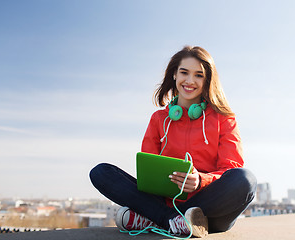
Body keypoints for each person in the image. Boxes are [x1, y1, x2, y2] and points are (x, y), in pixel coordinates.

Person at [89, 46, 257, 238]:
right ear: (175, 75)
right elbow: (148, 171)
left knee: (246, 180)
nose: (190, 81)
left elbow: (230, 168)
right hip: (164, 202)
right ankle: (171, 220)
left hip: (209, 212)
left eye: (199, 75)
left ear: (208, 80)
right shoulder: (158, 119)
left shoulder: (224, 119)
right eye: (184, 72)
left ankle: (158, 219)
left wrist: (200, 180)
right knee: (101, 172)